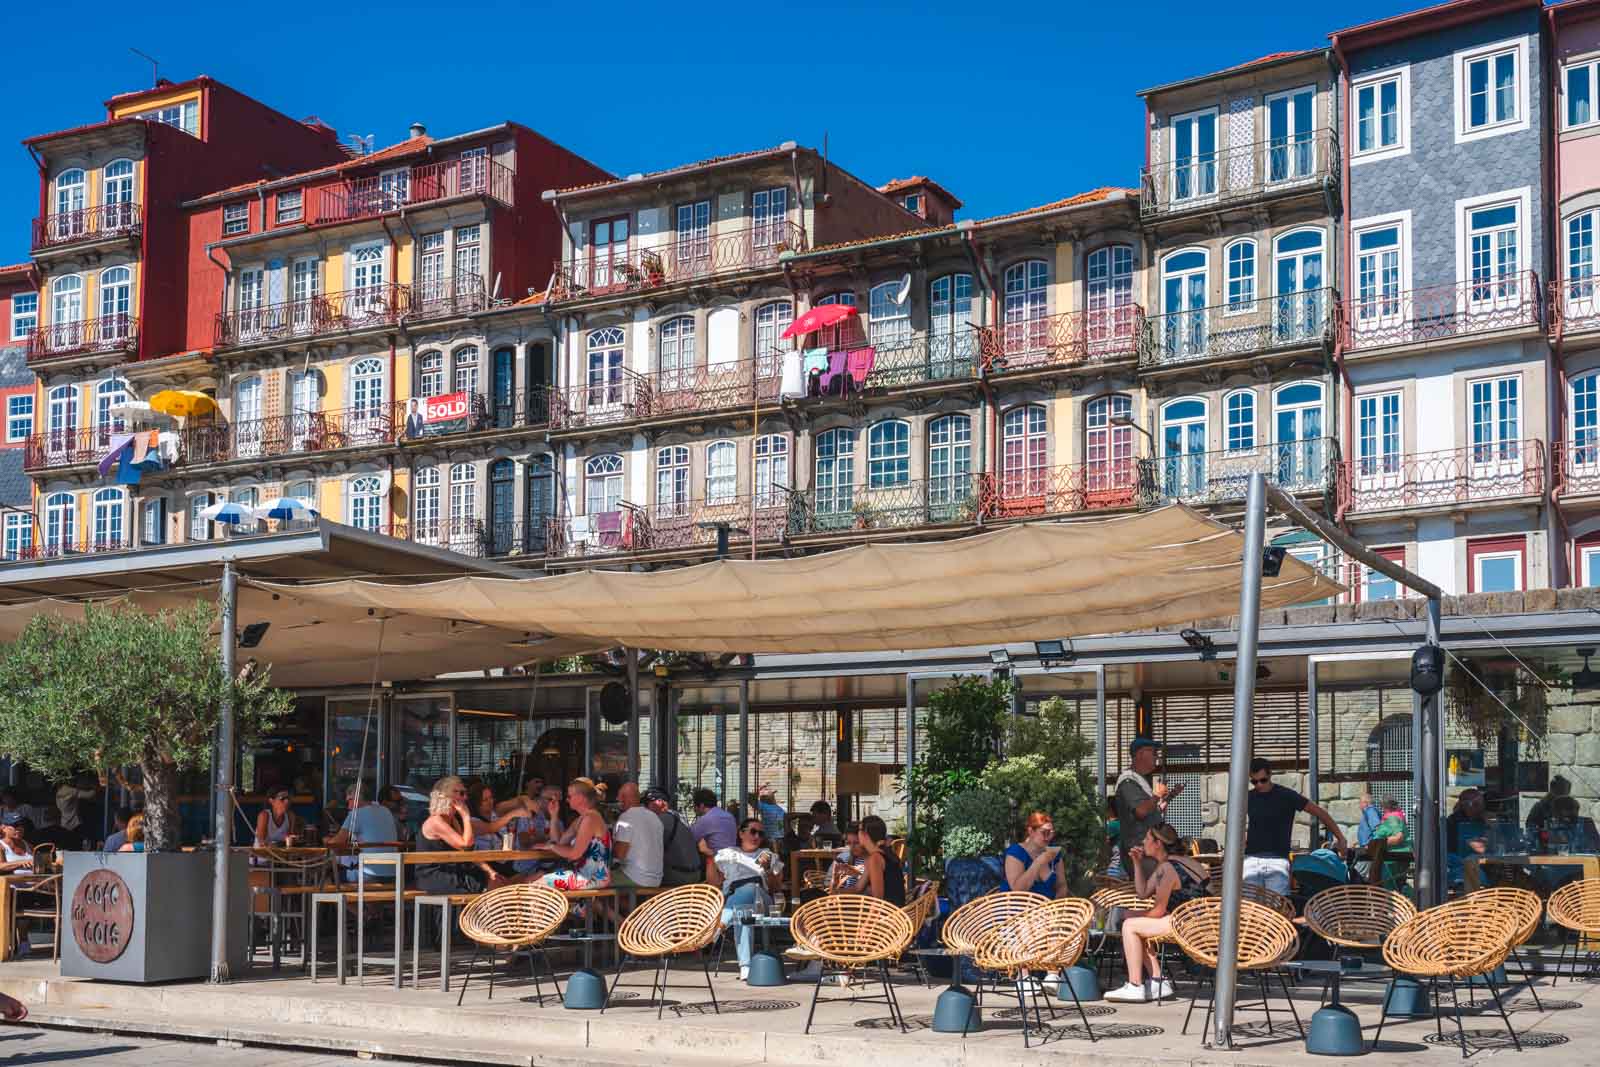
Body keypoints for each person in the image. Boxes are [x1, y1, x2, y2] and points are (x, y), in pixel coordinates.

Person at [1105, 823, 1211, 1003]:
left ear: (1157, 843)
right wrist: (1137, 863)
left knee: (1130, 926)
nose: (1143, 842)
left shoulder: (1167, 869)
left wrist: (1132, 916)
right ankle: (1158, 980)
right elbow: (1143, 892)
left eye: (1147, 838)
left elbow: (1158, 911)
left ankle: (1135, 985)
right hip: (1199, 921)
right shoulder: (1178, 862)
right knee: (1137, 925)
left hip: (1189, 924)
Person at [1243, 758, 1346, 896]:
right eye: (1254, 782)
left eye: (1263, 780)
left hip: (1278, 860)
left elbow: (1321, 813)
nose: (1259, 785)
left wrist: (1341, 838)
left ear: (1270, 775)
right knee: (1250, 908)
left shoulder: (1286, 795)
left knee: (1278, 908)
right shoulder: (1248, 797)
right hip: (1251, 859)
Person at [707, 818, 783, 980]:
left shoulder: (767, 855)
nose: (756, 836)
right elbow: (714, 883)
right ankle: (745, 966)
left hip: (762, 900)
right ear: (741, 833)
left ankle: (718, 926)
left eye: (760, 834)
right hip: (737, 899)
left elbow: (776, 887)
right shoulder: (728, 854)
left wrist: (768, 869)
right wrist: (709, 859)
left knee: (749, 889)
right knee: (743, 911)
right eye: (753, 831)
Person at [415, 776, 497, 894]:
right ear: (447, 795)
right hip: (434, 875)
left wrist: (489, 870)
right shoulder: (436, 821)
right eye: (462, 793)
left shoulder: (452, 820)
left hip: (451, 870)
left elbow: (467, 851)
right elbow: (465, 844)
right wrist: (465, 816)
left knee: (495, 880)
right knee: (486, 884)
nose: (465, 797)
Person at [1114, 739, 1182, 878]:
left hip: (1150, 852)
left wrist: (1169, 797)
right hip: (1142, 853)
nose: (1156, 756)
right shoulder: (1128, 781)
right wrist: (1157, 795)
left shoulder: (1139, 780)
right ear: (1139, 754)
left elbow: (1152, 811)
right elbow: (1141, 811)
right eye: (1152, 752)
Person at [536, 780, 611, 891]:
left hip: (592, 877)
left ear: (581, 798)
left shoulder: (590, 818)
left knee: (538, 884)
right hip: (583, 874)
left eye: (569, 796)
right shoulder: (581, 819)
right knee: (536, 879)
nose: (566, 800)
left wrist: (551, 847)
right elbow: (560, 842)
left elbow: (574, 854)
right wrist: (554, 815)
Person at [327, 784, 401, 883]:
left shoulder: (356, 814)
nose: (348, 806)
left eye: (349, 800)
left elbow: (335, 844)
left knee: (330, 876)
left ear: (356, 798)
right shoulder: (386, 810)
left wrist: (327, 841)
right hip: (393, 876)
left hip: (370, 876)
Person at [611, 782, 664, 889]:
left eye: (619, 796)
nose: (618, 800)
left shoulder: (626, 817)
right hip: (657, 879)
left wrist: (611, 845)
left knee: (597, 880)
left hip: (636, 877)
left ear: (623, 798)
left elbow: (620, 854)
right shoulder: (654, 817)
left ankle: (604, 906)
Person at [1004, 811, 1069, 899]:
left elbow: (1062, 885)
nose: (1048, 837)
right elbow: (1017, 891)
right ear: (1031, 831)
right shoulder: (1016, 852)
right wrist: (1038, 862)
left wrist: (1055, 903)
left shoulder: (1053, 852)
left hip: (1048, 908)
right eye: (1045, 833)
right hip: (1017, 907)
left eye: (1051, 833)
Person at [646, 788, 703, 886]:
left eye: (647, 803)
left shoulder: (660, 820)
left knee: (642, 879)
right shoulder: (678, 816)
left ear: (660, 802)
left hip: (679, 876)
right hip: (696, 874)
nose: (645, 808)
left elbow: (650, 850)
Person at [857, 814, 905, 905]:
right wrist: (835, 892)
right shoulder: (885, 852)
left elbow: (878, 900)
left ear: (865, 834)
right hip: (896, 910)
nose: (857, 833)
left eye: (859, 830)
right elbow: (858, 888)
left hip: (889, 914)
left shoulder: (875, 858)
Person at [53, 775, 99, 850]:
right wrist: (95, 787)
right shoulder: (68, 790)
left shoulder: (60, 791)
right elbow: (89, 795)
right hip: (74, 824)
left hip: (65, 823)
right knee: (80, 846)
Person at [691, 788, 737, 856]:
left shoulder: (705, 819)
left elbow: (690, 838)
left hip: (716, 861)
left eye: (694, 806)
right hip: (732, 858)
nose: (694, 809)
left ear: (701, 806)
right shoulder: (729, 816)